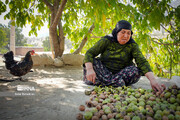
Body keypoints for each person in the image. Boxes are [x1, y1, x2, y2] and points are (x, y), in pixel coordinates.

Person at [83, 20, 164, 93]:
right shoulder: (107, 40)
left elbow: (142, 62)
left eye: (128, 33)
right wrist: (90, 69)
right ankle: (117, 83)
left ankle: (105, 82)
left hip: (121, 74)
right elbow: (90, 53)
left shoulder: (132, 45)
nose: (126, 36)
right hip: (104, 71)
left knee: (135, 71)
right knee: (92, 62)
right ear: (117, 32)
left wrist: (153, 80)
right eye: (123, 32)